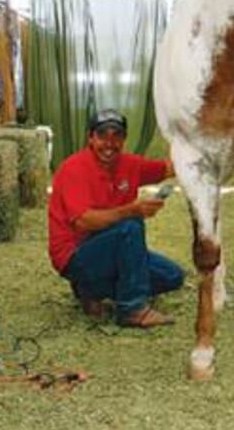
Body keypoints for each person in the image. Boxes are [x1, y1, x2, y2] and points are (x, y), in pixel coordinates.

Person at [48, 108, 183, 328]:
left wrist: (182, 138)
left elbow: (169, 169)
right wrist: (131, 210)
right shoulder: (74, 168)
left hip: (109, 247)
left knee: (173, 276)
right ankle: (132, 309)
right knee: (130, 226)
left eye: (116, 135)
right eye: (102, 135)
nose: (109, 144)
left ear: (124, 139)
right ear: (90, 138)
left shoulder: (130, 164)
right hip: (75, 255)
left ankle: (90, 289)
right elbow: (83, 221)